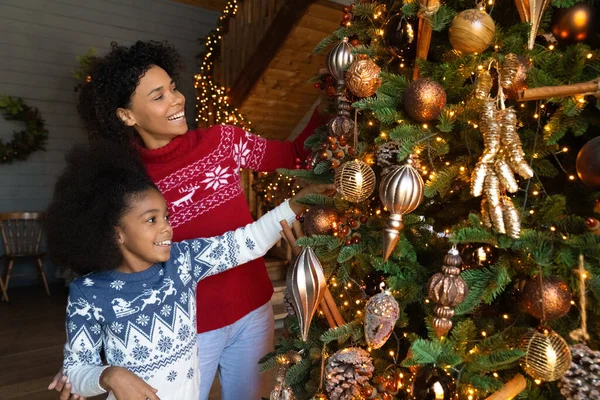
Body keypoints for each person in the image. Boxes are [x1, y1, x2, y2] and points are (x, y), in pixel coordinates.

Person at [49, 40, 329, 400]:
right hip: (183, 331)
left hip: (253, 310)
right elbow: (114, 268)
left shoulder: (223, 141)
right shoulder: (126, 183)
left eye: (173, 87)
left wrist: (326, 106)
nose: (177, 99)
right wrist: (92, 362)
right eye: (158, 95)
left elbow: (294, 155)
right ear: (126, 116)